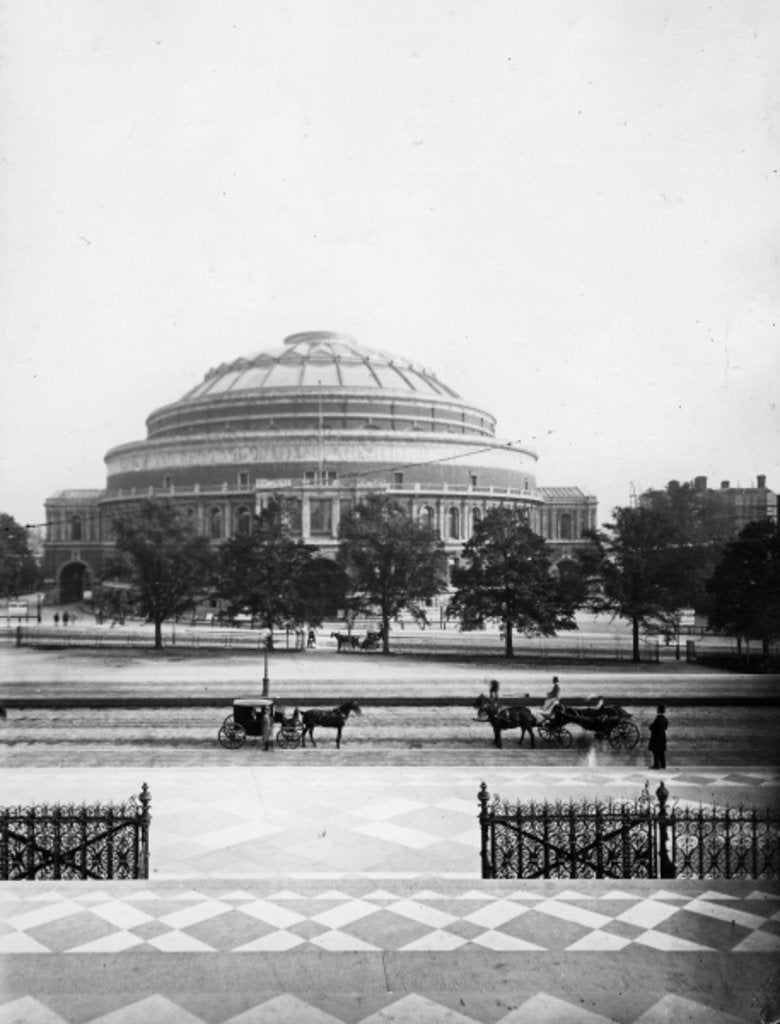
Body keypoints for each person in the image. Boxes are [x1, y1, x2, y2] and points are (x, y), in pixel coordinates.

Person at [648, 704, 668, 769]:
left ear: (658, 710)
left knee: (656, 752)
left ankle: (656, 765)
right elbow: (665, 727)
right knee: (662, 752)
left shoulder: (657, 719)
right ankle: (663, 765)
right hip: (662, 737)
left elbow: (652, 727)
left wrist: (651, 727)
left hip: (656, 738)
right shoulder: (665, 719)